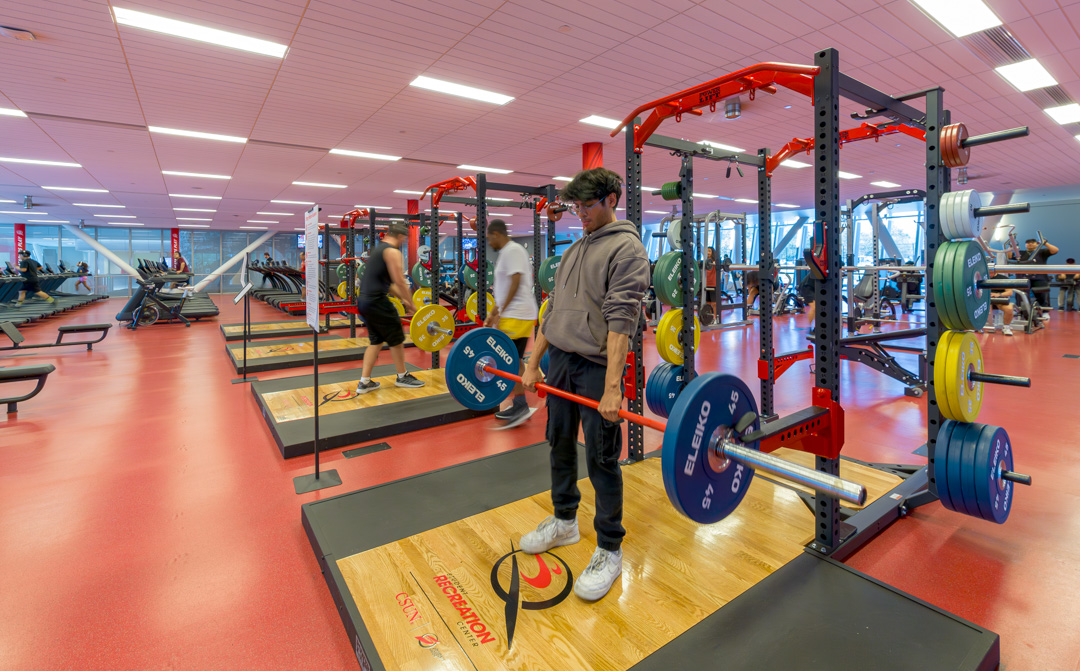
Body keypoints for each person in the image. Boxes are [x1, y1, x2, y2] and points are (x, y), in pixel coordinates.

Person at [519, 167, 650, 602]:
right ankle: (565, 522)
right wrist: (533, 362)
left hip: (597, 367)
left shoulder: (628, 250)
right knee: (557, 441)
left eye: (587, 206)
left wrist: (614, 387)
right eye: (576, 207)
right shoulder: (574, 249)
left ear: (612, 198)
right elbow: (551, 311)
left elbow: (621, 322)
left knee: (601, 458)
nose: (580, 214)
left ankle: (609, 549)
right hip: (560, 361)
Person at [354, 222, 425, 393]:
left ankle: (364, 382)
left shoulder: (377, 250)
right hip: (377, 301)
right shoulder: (392, 252)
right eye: (404, 239)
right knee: (396, 337)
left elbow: (388, 284)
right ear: (400, 237)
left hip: (364, 301)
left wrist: (405, 301)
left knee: (376, 340)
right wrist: (413, 304)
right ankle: (402, 376)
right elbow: (399, 281)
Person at [483, 218, 539, 427]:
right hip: (512, 314)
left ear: (497, 234)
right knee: (514, 359)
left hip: (517, 315)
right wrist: (493, 313)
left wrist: (502, 311)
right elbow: (504, 288)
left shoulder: (513, 250)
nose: (489, 243)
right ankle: (522, 398)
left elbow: (515, 282)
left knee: (509, 360)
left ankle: (521, 405)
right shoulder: (507, 253)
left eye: (490, 238)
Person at [1013, 236, 1058, 312]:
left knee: (1042, 295)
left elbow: (1055, 250)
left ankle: (1044, 312)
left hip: (1039, 278)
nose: (1030, 244)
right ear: (1025, 245)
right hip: (1024, 278)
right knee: (1020, 295)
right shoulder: (1021, 253)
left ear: (1037, 244)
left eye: (1032, 243)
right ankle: (1021, 311)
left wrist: (1045, 243)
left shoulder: (1042, 252)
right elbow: (1009, 256)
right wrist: (1011, 246)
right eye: (1028, 243)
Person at [988, 268, 1015, 336]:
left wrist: (998, 295)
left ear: (994, 271)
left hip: (998, 299)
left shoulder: (1003, 278)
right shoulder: (980, 277)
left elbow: (1010, 292)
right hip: (983, 299)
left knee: (1009, 309)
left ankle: (1006, 327)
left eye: (990, 272)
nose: (989, 274)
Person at [704, 247, 717, 323]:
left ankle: (715, 318)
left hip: (713, 284)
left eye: (709, 251)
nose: (708, 252)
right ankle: (710, 318)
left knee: (714, 303)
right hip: (706, 284)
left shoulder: (714, 262)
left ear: (712, 253)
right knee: (708, 303)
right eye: (707, 251)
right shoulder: (705, 262)